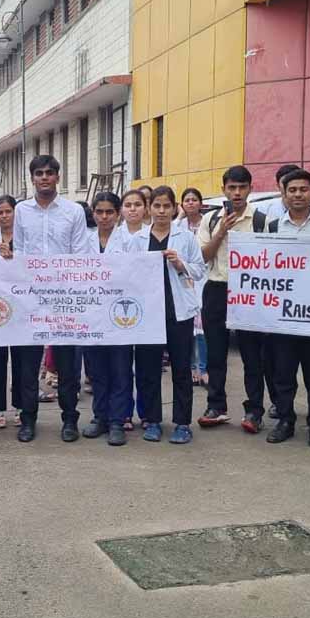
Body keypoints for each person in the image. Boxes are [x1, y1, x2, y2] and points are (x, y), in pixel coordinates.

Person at [10, 155, 89, 442]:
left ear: (58, 176)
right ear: (32, 178)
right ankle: (28, 419)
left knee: (68, 364)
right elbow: (19, 251)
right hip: (31, 297)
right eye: (39, 173)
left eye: (49, 173)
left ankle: (69, 419)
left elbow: (80, 254)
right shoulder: (21, 210)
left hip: (64, 296)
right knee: (28, 364)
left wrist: (65, 285)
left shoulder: (73, 211)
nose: (44, 177)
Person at [254, 170, 310, 450]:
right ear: (284, 194)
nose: (298, 194)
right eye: (292, 190)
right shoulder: (273, 227)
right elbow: (263, 265)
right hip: (283, 317)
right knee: (283, 374)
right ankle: (285, 420)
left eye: (303, 189)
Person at [130, 186, 206, 444]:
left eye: (166, 206)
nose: (161, 211)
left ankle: (182, 423)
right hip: (148, 313)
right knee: (148, 369)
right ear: (149, 208)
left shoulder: (185, 237)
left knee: (181, 369)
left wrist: (180, 263)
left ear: (175, 208)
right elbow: (127, 273)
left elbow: (199, 270)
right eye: (157, 206)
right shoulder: (137, 239)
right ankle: (152, 420)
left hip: (178, 312)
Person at [197, 166, 270, 433]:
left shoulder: (261, 220)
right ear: (224, 189)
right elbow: (203, 257)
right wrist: (221, 232)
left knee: (253, 355)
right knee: (216, 353)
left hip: (250, 292)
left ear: (250, 189)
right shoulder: (211, 219)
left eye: (242, 187)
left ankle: (254, 411)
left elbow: (272, 259)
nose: (237, 193)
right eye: (232, 188)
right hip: (217, 289)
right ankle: (216, 406)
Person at [80, 192, 131, 446]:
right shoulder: (84, 241)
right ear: (93, 213)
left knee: (120, 369)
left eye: (109, 211)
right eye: (99, 212)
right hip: (92, 314)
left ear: (118, 213)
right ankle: (100, 417)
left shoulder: (130, 241)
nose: (104, 216)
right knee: (97, 370)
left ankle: (117, 421)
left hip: (121, 314)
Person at [113, 188, 149, 429]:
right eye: (128, 205)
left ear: (145, 208)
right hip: (119, 304)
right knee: (122, 365)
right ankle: (124, 412)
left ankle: (146, 413)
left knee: (146, 364)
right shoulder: (115, 236)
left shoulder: (152, 234)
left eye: (138, 204)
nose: (133, 209)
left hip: (147, 304)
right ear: (121, 210)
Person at [0, 195, 20, 427]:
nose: (4, 216)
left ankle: (21, 406)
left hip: (21, 304)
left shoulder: (25, 236)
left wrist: (14, 258)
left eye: (8, 211)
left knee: (21, 360)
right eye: (0, 212)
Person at [176, 188, 208, 387]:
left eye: (194, 200)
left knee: (202, 328)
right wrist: (179, 216)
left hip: (202, 277)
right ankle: (190, 367)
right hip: (182, 279)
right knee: (188, 328)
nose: (190, 203)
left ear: (200, 203)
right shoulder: (178, 225)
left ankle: (203, 367)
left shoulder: (208, 222)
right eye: (186, 200)